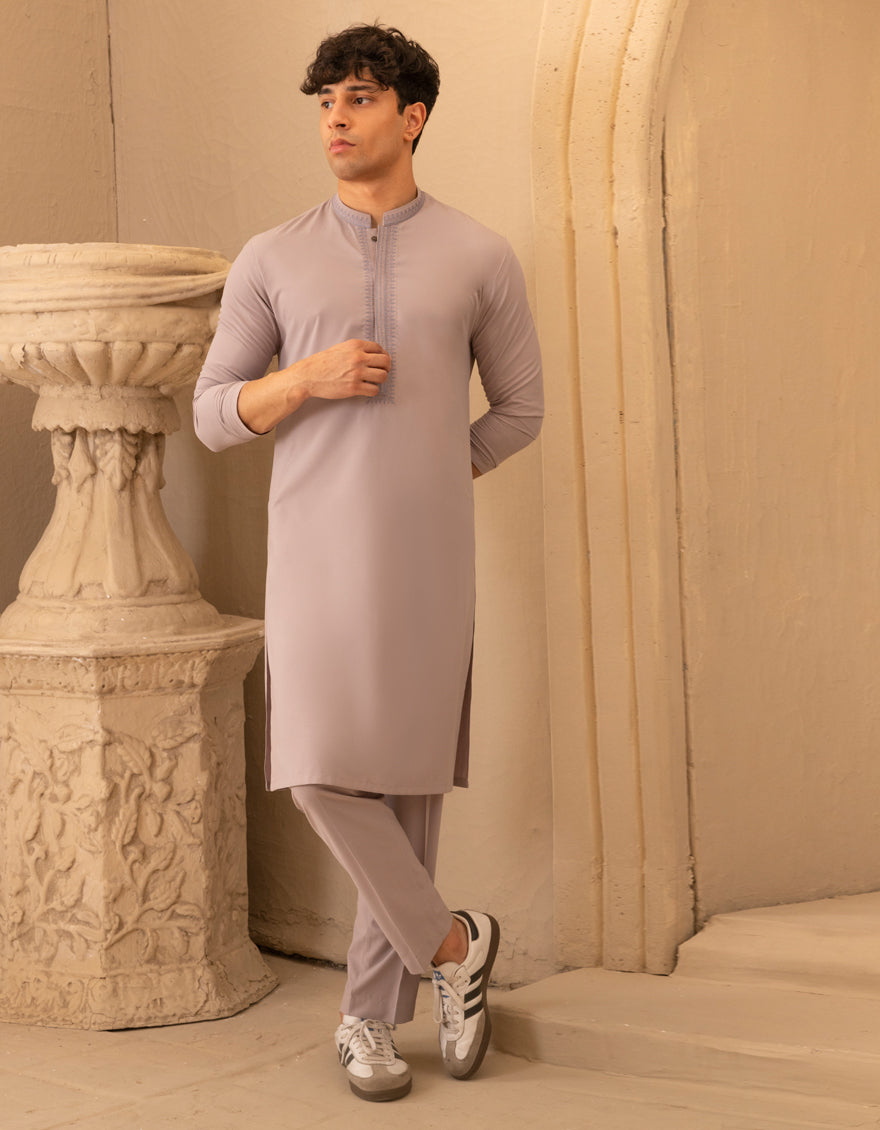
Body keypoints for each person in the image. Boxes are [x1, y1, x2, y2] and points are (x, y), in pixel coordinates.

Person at [193, 23, 543, 1103]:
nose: (336, 119)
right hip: (312, 555)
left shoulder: (479, 254)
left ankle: (369, 1022)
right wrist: (305, 379)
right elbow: (213, 414)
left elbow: (521, 409)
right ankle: (454, 942)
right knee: (319, 774)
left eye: (358, 98)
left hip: (427, 559)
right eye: (326, 102)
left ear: (412, 116)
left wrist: (437, 468)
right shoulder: (271, 256)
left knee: (405, 790)